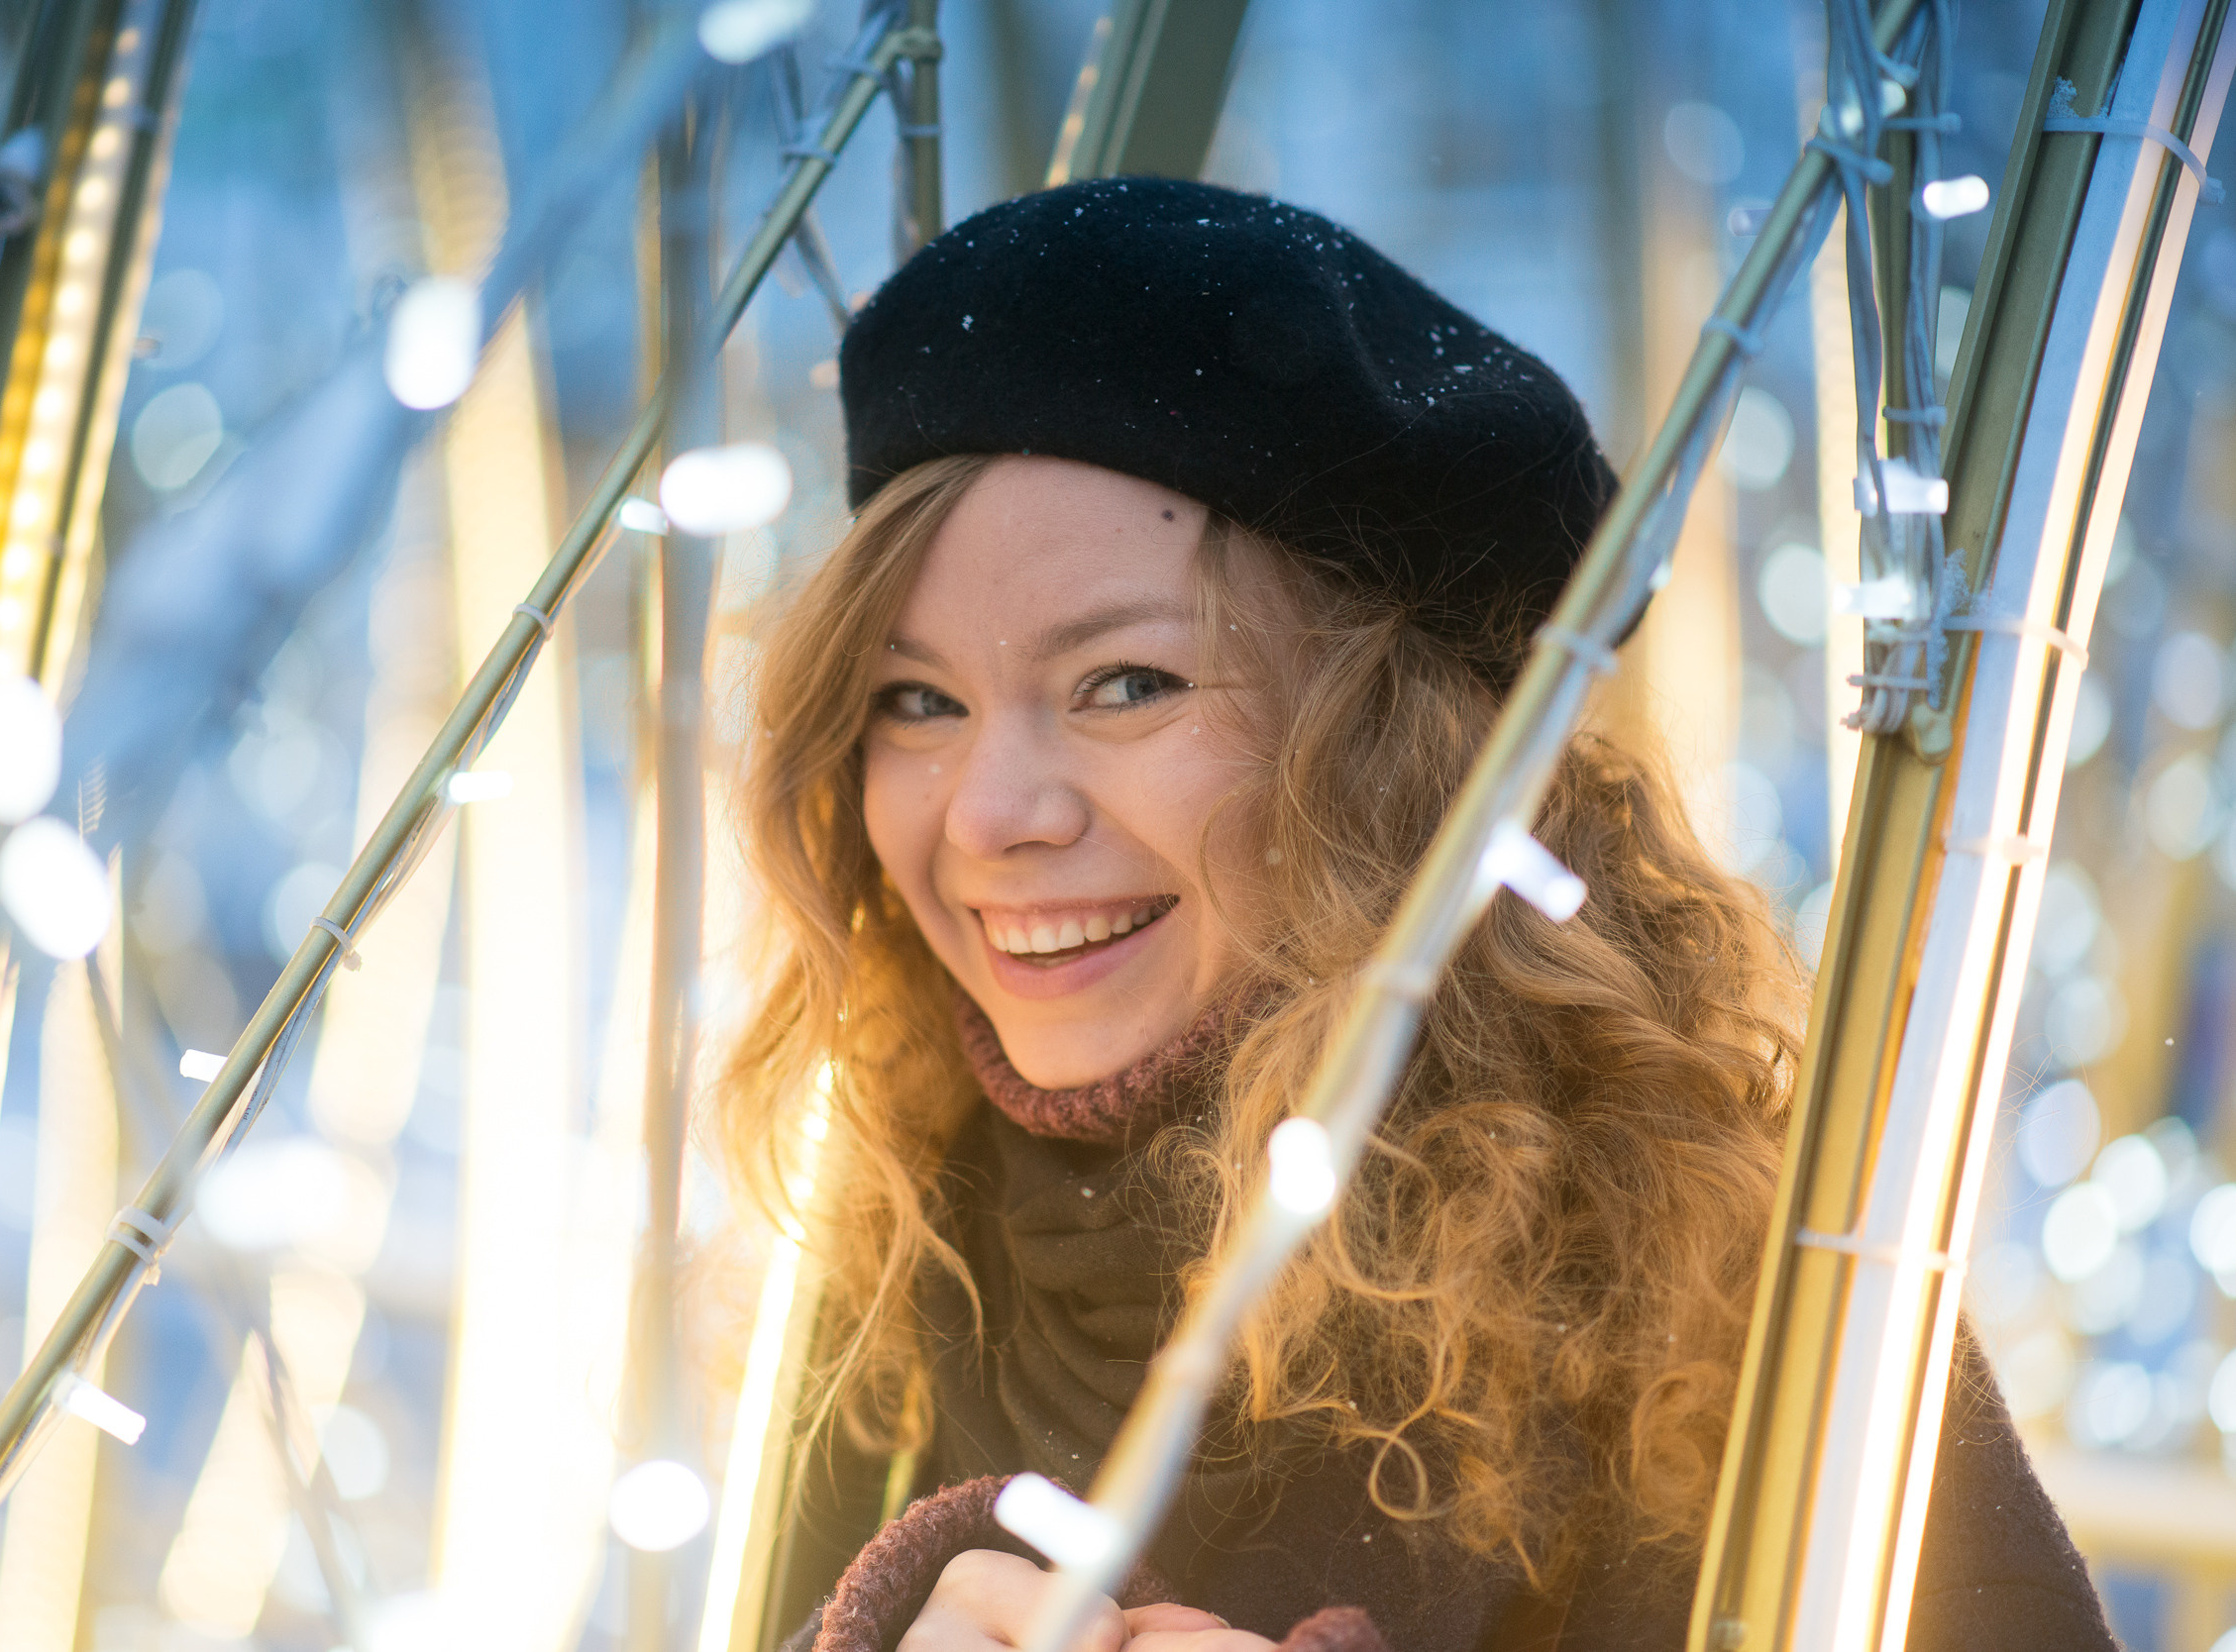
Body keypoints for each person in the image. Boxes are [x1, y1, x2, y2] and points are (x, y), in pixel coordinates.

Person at [715, 178, 2109, 1652]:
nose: (990, 814)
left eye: (1126, 684)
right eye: (915, 702)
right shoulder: (894, 1242)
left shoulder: (1741, 1306)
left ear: (1388, 756)